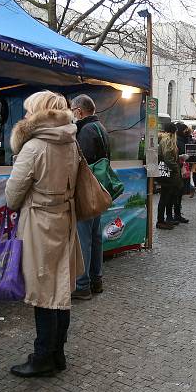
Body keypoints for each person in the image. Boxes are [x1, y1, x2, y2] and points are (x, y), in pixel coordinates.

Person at [5, 91, 84, 377]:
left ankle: (42, 357)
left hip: (40, 222)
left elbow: (13, 196)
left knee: (43, 292)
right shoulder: (72, 142)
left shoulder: (34, 147)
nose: (26, 116)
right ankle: (57, 352)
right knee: (60, 289)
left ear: (38, 112)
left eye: (28, 111)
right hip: (65, 219)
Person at [70, 94, 110, 299]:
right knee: (95, 238)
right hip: (99, 190)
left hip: (87, 191)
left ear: (79, 110)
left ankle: (83, 284)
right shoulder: (100, 127)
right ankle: (96, 279)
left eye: (72, 109)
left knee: (84, 238)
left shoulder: (84, 130)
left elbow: (80, 164)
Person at [156, 123, 183, 228]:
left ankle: (165, 219)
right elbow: (168, 158)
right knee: (165, 197)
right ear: (173, 132)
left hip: (167, 172)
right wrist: (176, 167)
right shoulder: (168, 141)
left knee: (167, 197)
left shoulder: (165, 140)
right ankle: (161, 221)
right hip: (168, 173)